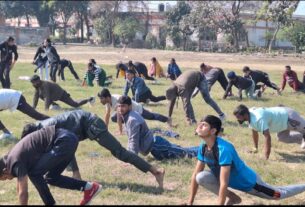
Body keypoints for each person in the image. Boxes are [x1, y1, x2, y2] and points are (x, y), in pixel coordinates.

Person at [20, 109, 165, 188]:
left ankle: (156, 171)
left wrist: (75, 174)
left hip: (92, 124)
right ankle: (75, 177)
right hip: (86, 125)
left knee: (120, 153)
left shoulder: (46, 129)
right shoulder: (42, 128)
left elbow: (66, 150)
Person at [186, 115, 305, 205]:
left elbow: (223, 183)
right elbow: (195, 175)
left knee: (278, 194)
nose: (199, 126)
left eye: (204, 125)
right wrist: (189, 203)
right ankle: (234, 198)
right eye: (199, 124)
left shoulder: (224, 149)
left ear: (213, 131)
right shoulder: (203, 146)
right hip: (231, 181)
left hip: (250, 183)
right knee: (200, 177)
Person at [0, 126, 102, 205]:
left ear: (5, 170)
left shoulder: (15, 162)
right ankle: (89, 187)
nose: (9, 179)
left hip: (63, 141)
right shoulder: (11, 158)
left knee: (34, 174)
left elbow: (23, 192)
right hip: (68, 139)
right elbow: (20, 187)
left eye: (5, 178)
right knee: (51, 178)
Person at [117, 95, 198, 160]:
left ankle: (205, 151)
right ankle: (203, 149)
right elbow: (131, 139)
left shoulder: (132, 119)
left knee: (186, 153)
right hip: (156, 146)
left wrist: (131, 159)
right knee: (182, 150)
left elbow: (133, 140)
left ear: (130, 106)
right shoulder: (128, 116)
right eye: (119, 106)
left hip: (157, 146)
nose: (120, 109)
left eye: (123, 106)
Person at [233, 104, 305, 160]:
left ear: (245, 114)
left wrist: (266, 156)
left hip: (289, 117)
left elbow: (267, 137)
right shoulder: (250, 116)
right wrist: (255, 148)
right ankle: (302, 139)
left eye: (238, 117)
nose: (237, 119)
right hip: (282, 123)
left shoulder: (258, 119)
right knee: (282, 138)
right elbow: (254, 132)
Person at [98, 88, 174, 135]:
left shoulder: (117, 100)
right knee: (113, 118)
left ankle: (168, 119)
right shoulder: (108, 102)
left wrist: (120, 131)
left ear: (107, 97)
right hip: (126, 111)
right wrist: (105, 129)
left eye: (101, 98)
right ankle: (127, 127)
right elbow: (107, 115)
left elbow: (121, 115)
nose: (100, 101)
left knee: (151, 116)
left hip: (136, 109)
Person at [30, 75, 94, 111]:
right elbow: (36, 96)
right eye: (32, 83)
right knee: (40, 95)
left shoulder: (45, 85)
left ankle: (90, 99)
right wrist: (33, 107)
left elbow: (47, 97)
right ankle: (55, 105)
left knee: (75, 104)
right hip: (54, 96)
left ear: (38, 80)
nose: (33, 84)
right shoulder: (37, 86)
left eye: (34, 82)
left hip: (61, 94)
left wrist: (46, 109)